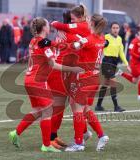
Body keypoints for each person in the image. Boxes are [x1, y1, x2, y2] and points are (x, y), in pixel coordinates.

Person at [8, 17, 84, 152]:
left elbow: (54, 44)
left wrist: (74, 45)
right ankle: (46, 145)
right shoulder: (43, 42)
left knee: (38, 111)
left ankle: (16, 133)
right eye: (48, 25)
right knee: (48, 111)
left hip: (29, 79)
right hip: (39, 81)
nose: (50, 27)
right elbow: (53, 64)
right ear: (44, 28)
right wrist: (73, 69)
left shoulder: (35, 40)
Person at [65, 13, 109, 152]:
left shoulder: (88, 39)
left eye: (90, 21)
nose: (87, 23)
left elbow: (76, 46)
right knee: (84, 108)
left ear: (93, 24)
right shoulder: (101, 38)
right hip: (95, 78)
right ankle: (100, 135)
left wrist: (74, 42)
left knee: (78, 110)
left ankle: (79, 143)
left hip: (85, 78)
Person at [95, 22, 129, 112]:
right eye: (113, 28)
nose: (115, 29)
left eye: (117, 28)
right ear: (111, 29)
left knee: (105, 84)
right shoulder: (106, 37)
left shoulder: (119, 39)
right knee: (114, 82)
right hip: (106, 62)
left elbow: (121, 52)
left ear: (119, 29)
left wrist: (126, 64)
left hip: (114, 62)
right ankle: (116, 106)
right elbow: (99, 48)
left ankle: (98, 106)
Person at [117, 26, 140, 101]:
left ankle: (121, 73)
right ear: (139, 32)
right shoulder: (134, 41)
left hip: (139, 64)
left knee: (134, 80)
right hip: (134, 64)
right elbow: (131, 52)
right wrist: (139, 57)